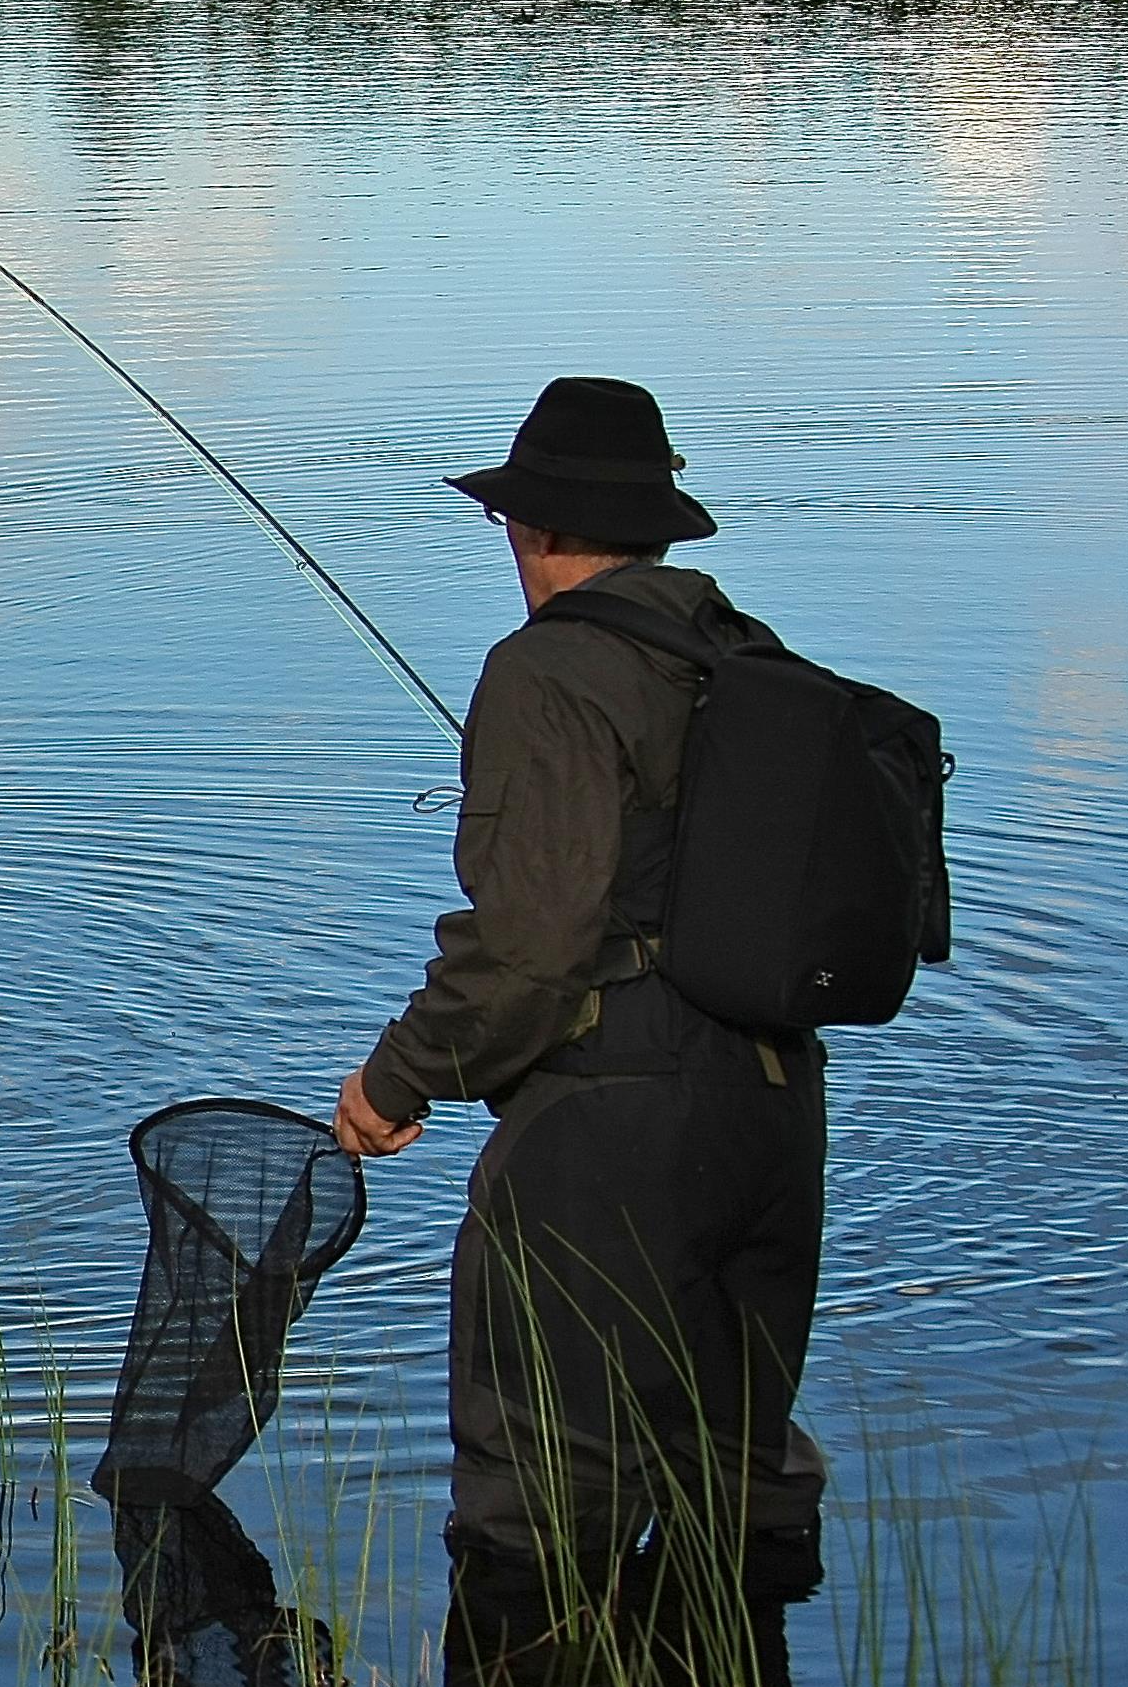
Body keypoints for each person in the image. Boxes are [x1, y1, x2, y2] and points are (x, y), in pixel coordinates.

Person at [331, 377, 825, 1588]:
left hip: (607, 1131)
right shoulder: (748, 656)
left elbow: (533, 948)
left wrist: (399, 1078)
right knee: (739, 1485)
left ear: (537, 528)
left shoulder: (542, 673)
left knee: (538, 1510)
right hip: (773, 1109)